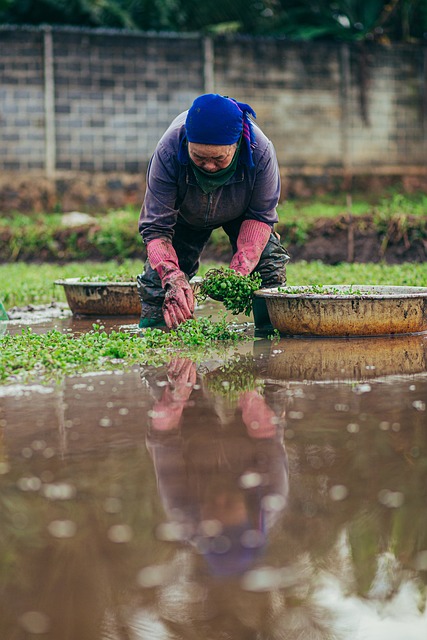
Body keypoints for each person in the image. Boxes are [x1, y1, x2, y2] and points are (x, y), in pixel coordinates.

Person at [137, 93, 290, 329]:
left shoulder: (260, 151)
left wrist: (239, 270)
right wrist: (171, 276)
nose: (209, 166)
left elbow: (261, 217)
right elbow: (156, 228)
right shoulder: (168, 150)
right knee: (157, 284)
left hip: (242, 214)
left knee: (268, 266)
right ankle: (157, 339)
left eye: (218, 159)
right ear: (187, 142)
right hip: (185, 216)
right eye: (198, 157)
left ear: (236, 144)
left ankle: (271, 332)